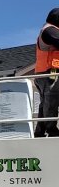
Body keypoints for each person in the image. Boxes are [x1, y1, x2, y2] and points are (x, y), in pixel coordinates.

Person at [34, 8, 59, 137]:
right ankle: (51, 128)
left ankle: (40, 130)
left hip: (51, 70)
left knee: (47, 101)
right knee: (51, 98)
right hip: (49, 72)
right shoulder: (50, 30)